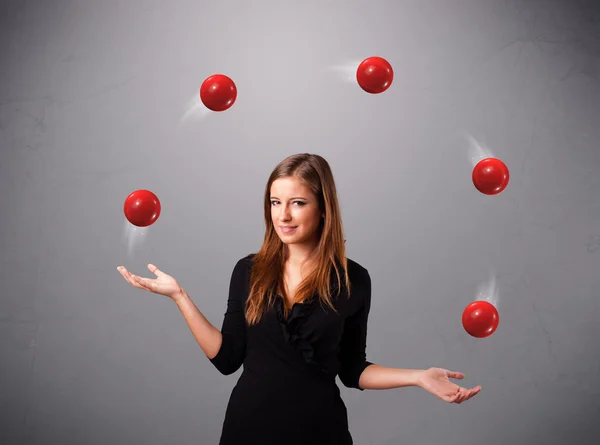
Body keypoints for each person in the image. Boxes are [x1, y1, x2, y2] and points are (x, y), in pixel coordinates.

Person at [117, 153, 481, 444]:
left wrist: (418, 377)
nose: (283, 215)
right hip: (248, 431)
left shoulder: (354, 280)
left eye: (297, 203)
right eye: (276, 202)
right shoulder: (249, 270)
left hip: (320, 432)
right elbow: (228, 359)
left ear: (323, 208)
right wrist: (179, 296)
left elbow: (353, 369)